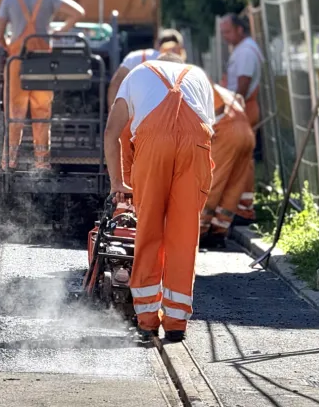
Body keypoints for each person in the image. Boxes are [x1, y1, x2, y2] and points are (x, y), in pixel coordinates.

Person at [104, 52, 215, 342]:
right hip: (196, 147)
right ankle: (177, 322)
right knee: (184, 236)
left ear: (158, 61)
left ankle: (147, 320)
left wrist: (118, 182)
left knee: (149, 231)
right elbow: (208, 130)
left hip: (154, 147)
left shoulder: (137, 73)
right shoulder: (199, 76)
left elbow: (111, 133)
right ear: (180, 62)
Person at [0, 0, 85, 171]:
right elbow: (78, 13)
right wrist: (57, 32)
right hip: (43, 61)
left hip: (17, 61)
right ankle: (42, 162)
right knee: (42, 111)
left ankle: (9, 160)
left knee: (15, 112)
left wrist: (9, 46)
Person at [106, 29, 187, 190]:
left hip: (128, 119)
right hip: (161, 125)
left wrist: (113, 116)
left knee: (126, 168)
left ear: (157, 44)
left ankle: (124, 208)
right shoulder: (179, 62)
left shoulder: (137, 57)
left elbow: (116, 83)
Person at [219, 13, 264, 224]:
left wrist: (233, 108)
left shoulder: (245, 51)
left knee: (242, 161)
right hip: (243, 107)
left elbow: (243, 83)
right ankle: (239, 206)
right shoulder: (244, 49)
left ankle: (243, 209)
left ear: (239, 29)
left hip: (243, 108)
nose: (225, 37)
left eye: (227, 32)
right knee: (242, 160)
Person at [199, 83, 255, 249]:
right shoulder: (224, 91)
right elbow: (239, 99)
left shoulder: (201, 84)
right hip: (245, 132)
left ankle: (200, 231)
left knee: (211, 183)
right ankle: (218, 232)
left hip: (226, 132)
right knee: (233, 185)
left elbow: (218, 108)